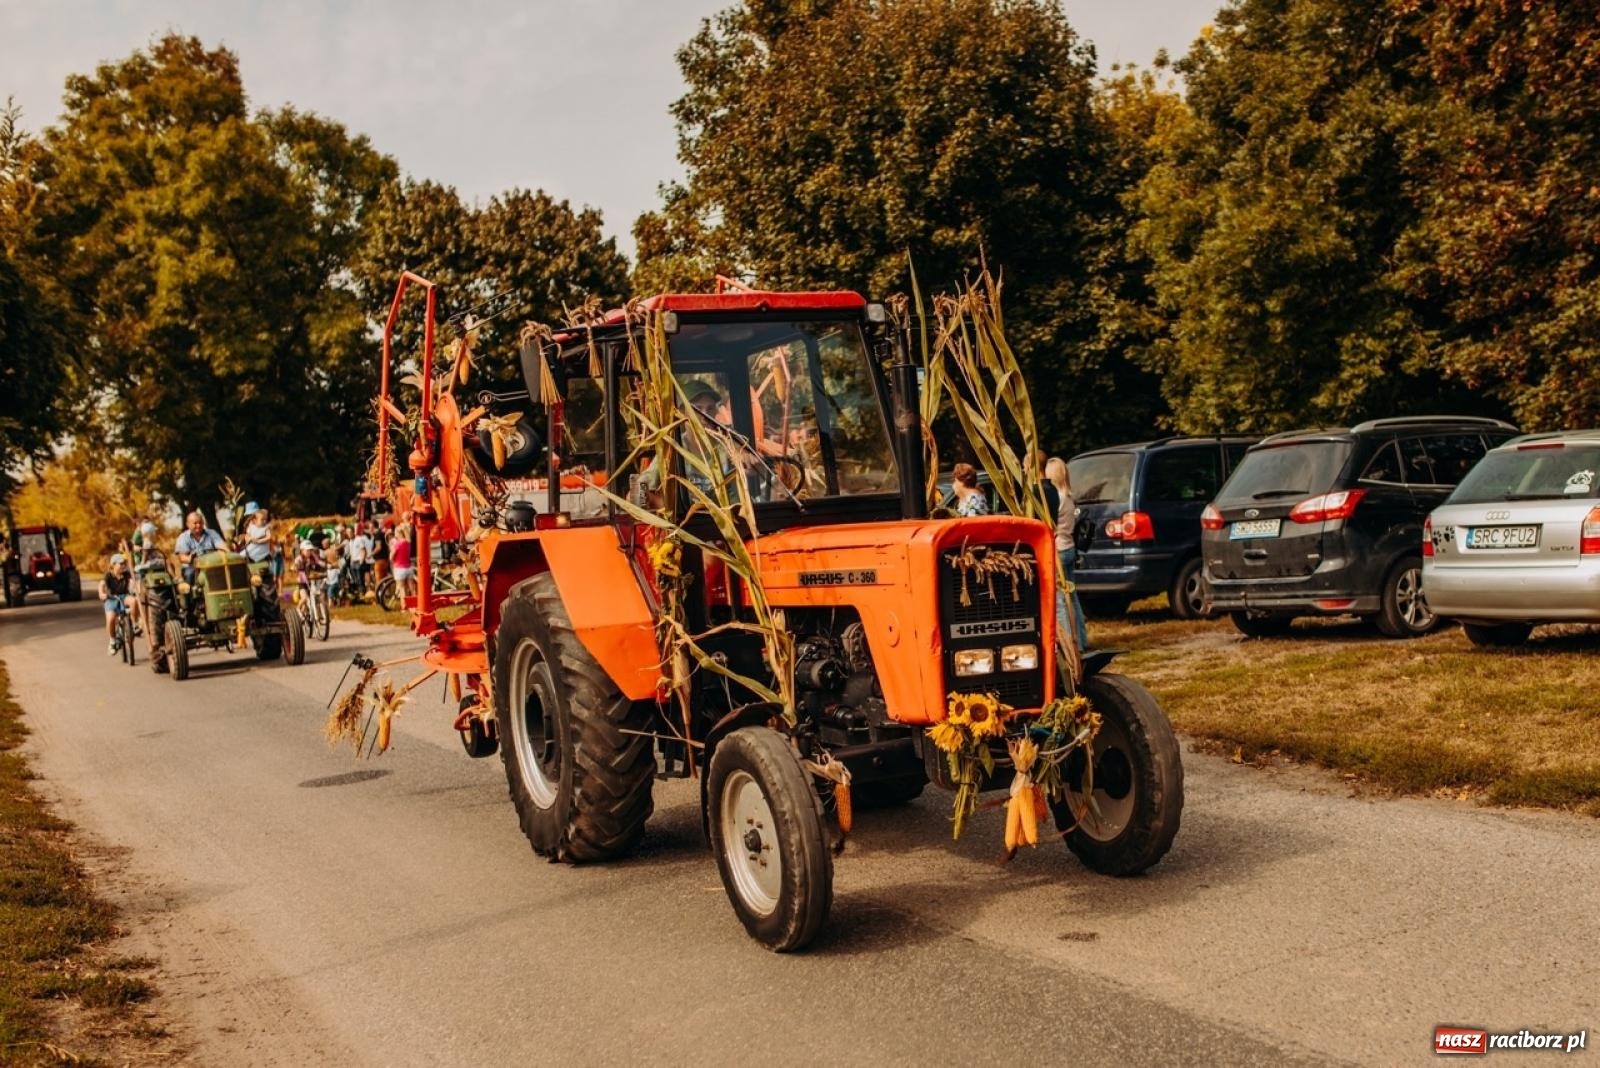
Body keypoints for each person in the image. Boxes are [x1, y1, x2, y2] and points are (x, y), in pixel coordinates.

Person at [1047, 456, 1089, 651]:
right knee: (1072, 597)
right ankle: (1081, 639)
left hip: (1059, 549)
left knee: (1060, 600)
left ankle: (1069, 644)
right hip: (1069, 546)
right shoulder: (1069, 497)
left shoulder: (1058, 499)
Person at [174, 511, 226, 584]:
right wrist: (189, 558)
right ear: (188, 524)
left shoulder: (212, 533)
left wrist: (223, 551)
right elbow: (182, 557)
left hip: (212, 564)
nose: (198, 525)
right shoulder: (183, 537)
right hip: (193, 566)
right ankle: (191, 594)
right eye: (195, 523)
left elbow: (224, 548)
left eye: (200, 523)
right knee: (189, 574)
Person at [99, 553, 135, 655]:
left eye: (124, 563)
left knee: (133, 601)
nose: (123, 565)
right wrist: (102, 594)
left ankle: (134, 625)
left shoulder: (126, 574)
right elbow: (101, 585)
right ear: (113, 565)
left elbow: (132, 582)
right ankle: (113, 640)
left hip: (124, 596)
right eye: (120, 564)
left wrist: (135, 589)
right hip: (111, 599)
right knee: (111, 619)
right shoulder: (108, 575)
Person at [241, 502, 274, 566]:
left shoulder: (264, 527)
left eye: (252, 515)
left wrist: (258, 541)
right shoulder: (250, 525)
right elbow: (247, 536)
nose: (250, 518)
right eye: (249, 515)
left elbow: (269, 538)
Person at [390, 521, 415, 600]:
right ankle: (415, 603)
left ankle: (404, 607)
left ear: (399, 533)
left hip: (399, 568)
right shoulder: (408, 543)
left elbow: (391, 557)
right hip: (409, 567)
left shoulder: (397, 544)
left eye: (395, 533)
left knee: (402, 588)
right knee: (412, 588)